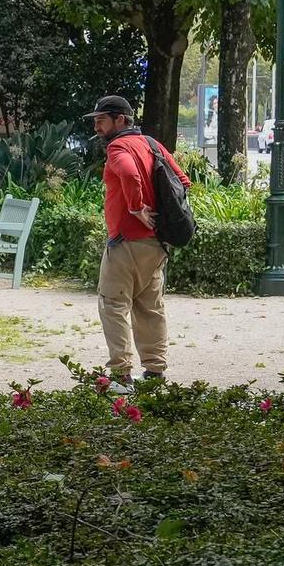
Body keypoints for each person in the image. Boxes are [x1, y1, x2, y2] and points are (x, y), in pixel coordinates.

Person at [86, 95, 189, 392]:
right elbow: (182, 181)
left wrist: (136, 207)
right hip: (155, 244)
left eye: (101, 119)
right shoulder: (152, 144)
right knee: (150, 306)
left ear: (121, 120)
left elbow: (130, 173)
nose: (96, 126)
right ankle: (155, 372)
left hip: (125, 242)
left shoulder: (118, 147)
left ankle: (121, 375)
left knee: (113, 304)